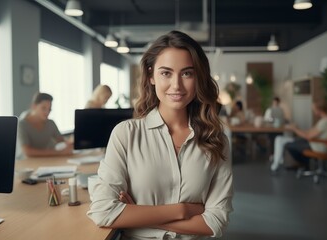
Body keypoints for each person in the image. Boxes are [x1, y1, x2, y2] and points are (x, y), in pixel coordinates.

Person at [87, 30, 233, 239]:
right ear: (151, 76)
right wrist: (183, 210)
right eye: (166, 73)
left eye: (187, 73)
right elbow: (103, 211)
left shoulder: (216, 140)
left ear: (198, 77)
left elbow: (215, 222)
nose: (176, 85)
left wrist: (138, 214)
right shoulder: (126, 135)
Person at [270, 101, 327, 171]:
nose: (313, 112)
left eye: (314, 110)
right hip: (318, 143)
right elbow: (310, 132)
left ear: (319, 110)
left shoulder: (324, 122)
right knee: (294, 141)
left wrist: (295, 129)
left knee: (289, 145)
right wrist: (298, 128)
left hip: (317, 146)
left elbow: (308, 136)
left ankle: (303, 163)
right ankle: (303, 163)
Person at [16, 92, 73, 159]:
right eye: (43, 108)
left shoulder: (50, 123)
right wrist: (59, 152)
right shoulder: (21, 124)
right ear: (34, 106)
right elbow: (27, 152)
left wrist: (71, 142)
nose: (47, 112)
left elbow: (62, 141)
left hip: (44, 161)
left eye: (49, 109)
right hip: (25, 162)